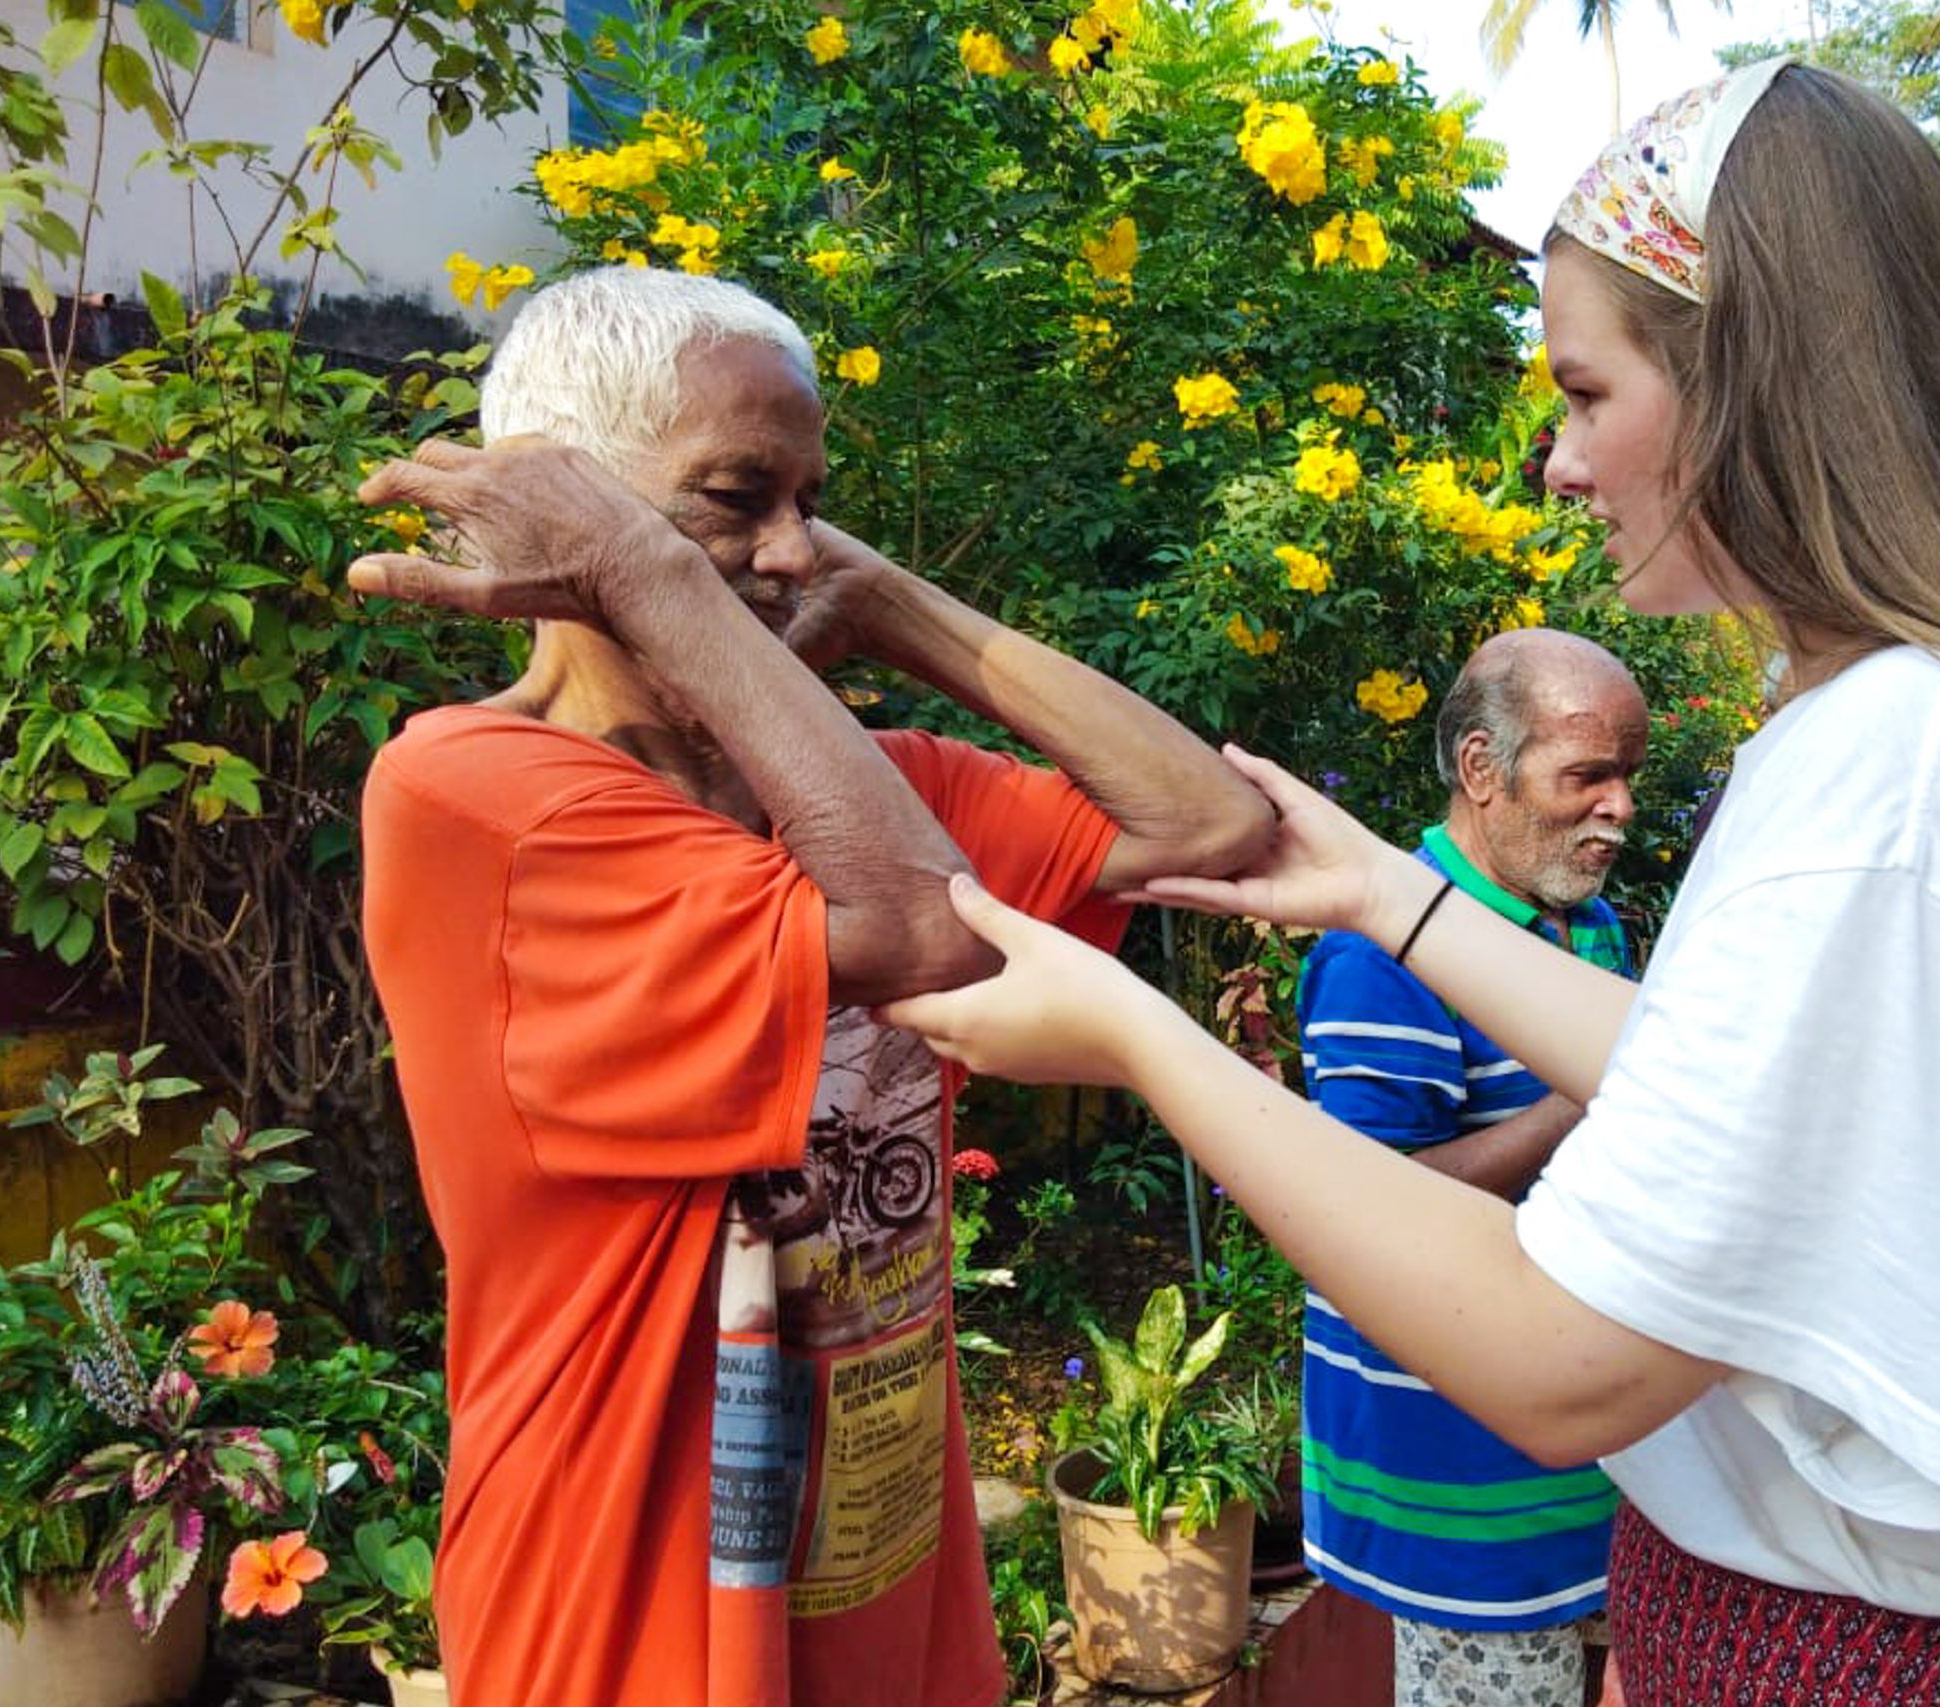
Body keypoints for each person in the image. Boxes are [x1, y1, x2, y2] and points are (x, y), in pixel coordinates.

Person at [881, 59, 1940, 1703]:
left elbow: (1561, 1356)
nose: (1557, 461)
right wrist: (1393, 898)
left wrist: (1132, 1037)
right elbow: (1735, 1101)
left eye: (1588, 393)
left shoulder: (1885, 765)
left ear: (1755, 374)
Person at [349, 266, 1271, 1707]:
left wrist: (888, 599)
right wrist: (649, 572)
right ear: (570, 512)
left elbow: (1207, 826)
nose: (789, 550)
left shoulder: (867, 790)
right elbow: (921, 926)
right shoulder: (481, 799)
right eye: (736, 493)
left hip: (885, 1562)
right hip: (625, 1610)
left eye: (811, 500)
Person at [1297, 629, 1643, 1705]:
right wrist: (1582, 1099)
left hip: (1584, 1446)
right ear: (1482, 774)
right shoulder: (1376, 952)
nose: (1619, 806)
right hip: (1459, 1479)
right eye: (1587, 774)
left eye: (1628, 777)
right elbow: (1360, 1212)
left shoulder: (1592, 930)